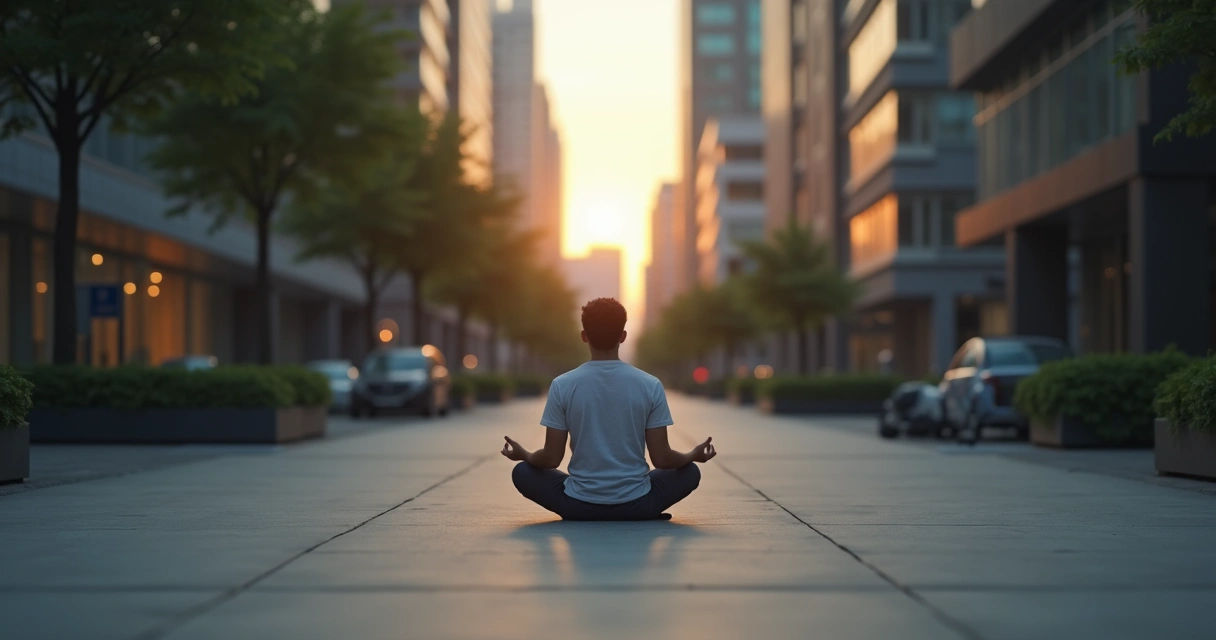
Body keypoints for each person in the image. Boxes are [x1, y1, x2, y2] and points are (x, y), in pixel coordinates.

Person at [501, 297, 716, 521]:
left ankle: (585, 506)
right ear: (623, 336)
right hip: (638, 503)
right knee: (690, 472)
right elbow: (662, 458)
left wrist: (523, 454)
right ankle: (641, 509)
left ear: (584, 336)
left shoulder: (562, 385)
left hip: (577, 505)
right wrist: (693, 454)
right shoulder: (650, 384)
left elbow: (551, 458)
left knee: (523, 472)